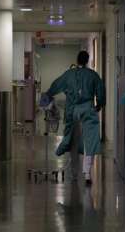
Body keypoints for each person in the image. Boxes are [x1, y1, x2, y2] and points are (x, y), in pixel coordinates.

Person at [42, 50, 106, 185]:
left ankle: (73, 172)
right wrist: (99, 105)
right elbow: (100, 91)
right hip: (88, 109)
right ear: (87, 61)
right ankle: (87, 173)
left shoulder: (69, 74)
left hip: (73, 110)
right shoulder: (93, 75)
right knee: (90, 141)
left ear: (77, 60)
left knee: (72, 140)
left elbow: (57, 84)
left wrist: (47, 96)